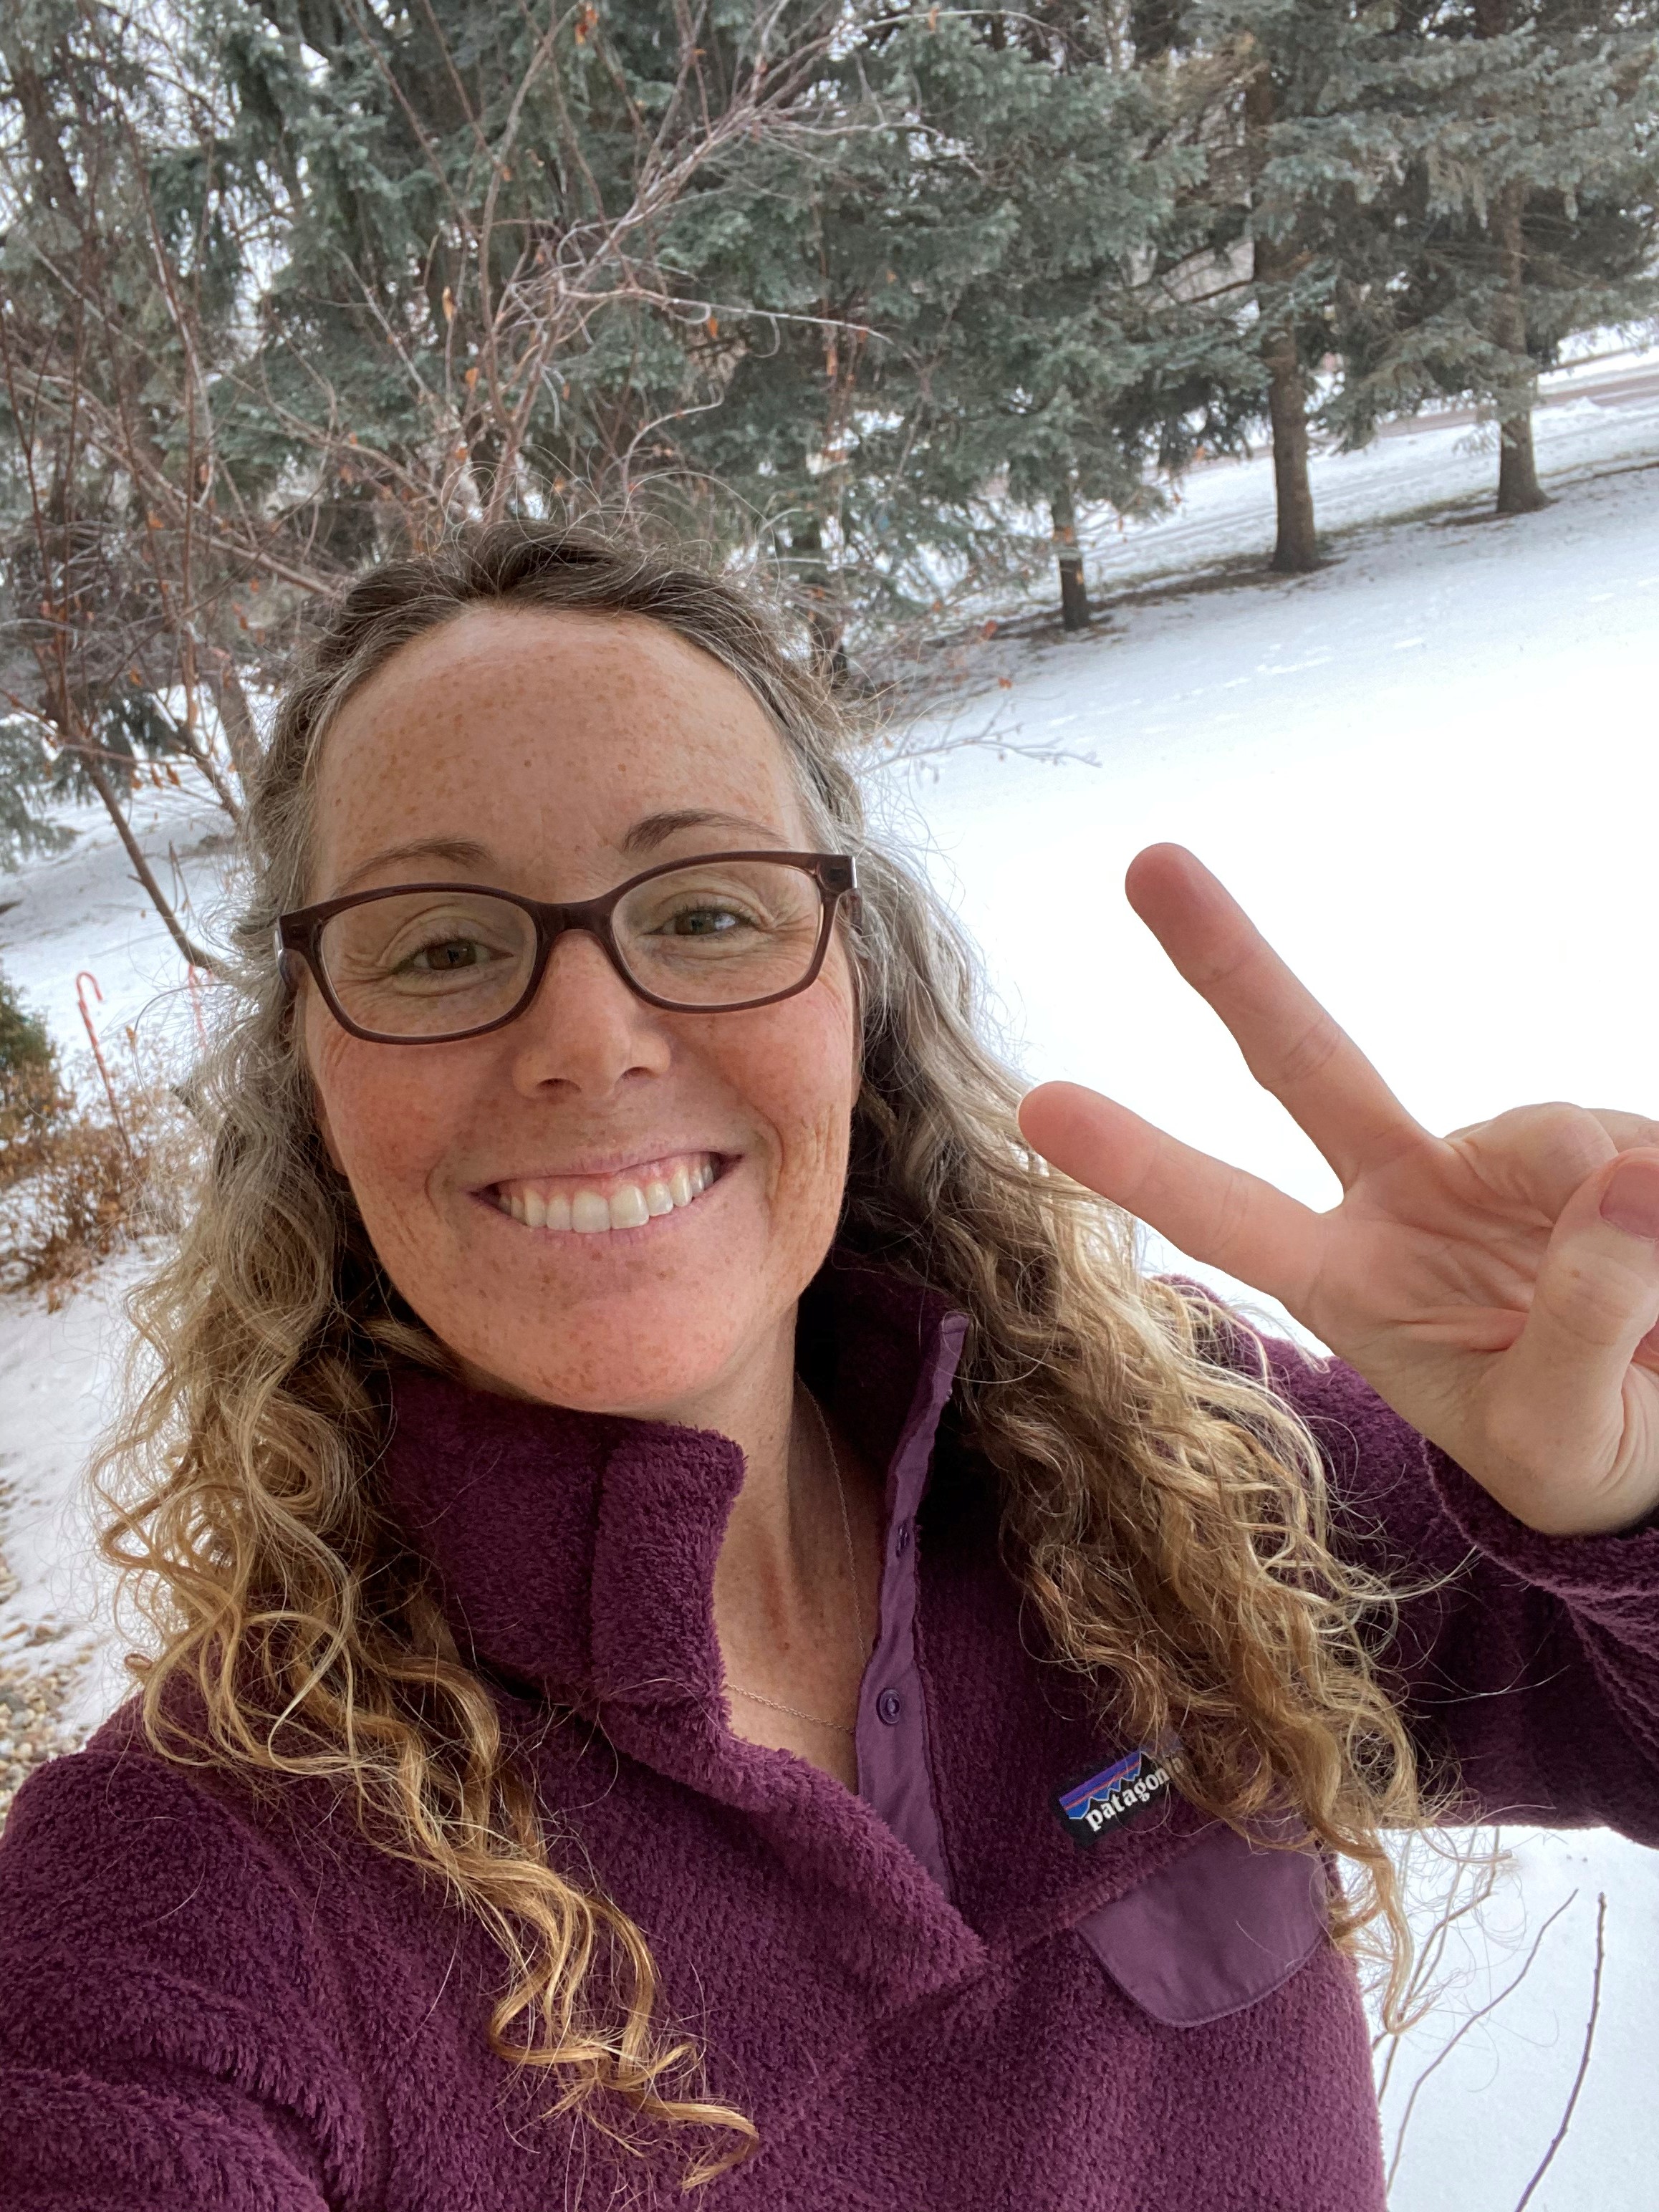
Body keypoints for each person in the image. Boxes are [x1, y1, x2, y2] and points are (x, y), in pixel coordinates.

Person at [1, 524, 1656, 2212]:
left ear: (852, 982)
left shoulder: (1172, 1469)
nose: (588, 1038)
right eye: (438, 945)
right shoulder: (192, 1890)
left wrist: (1625, 1493)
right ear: (308, 1066)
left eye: (707, 908)